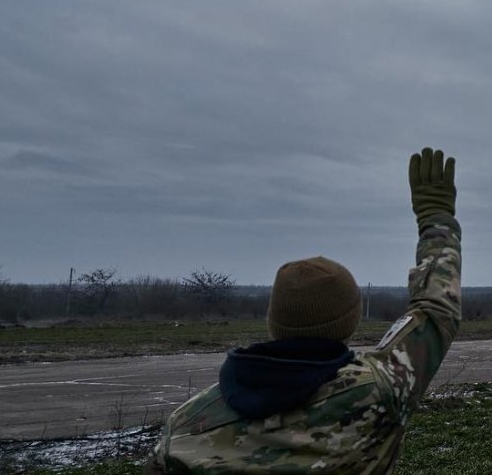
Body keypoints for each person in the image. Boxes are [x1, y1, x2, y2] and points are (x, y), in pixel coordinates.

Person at [146, 147, 462, 473]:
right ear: (349, 323)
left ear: (274, 322)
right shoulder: (376, 392)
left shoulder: (183, 427)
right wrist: (436, 218)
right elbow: (436, 308)